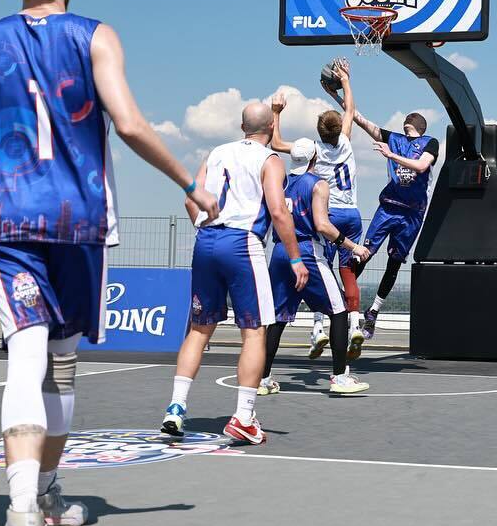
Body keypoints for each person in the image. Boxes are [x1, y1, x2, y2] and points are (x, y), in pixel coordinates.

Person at [0, 0, 218, 526]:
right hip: (81, 221)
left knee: (26, 359)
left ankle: (26, 511)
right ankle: (42, 498)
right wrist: (189, 185)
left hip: (11, 222)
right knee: (60, 365)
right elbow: (132, 125)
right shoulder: (97, 37)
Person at [159, 102, 307, 444]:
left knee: (198, 331)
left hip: (206, 239)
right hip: (242, 243)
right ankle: (243, 415)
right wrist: (296, 258)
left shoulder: (217, 152)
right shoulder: (270, 160)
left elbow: (189, 198)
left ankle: (176, 408)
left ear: (242, 126)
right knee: (254, 331)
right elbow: (278, 210)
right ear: (271, 127)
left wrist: (204, 224)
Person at [259, 138, 372, 395]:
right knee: (339, 311)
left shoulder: (281, 183)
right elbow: (321, 225)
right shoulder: (318, 184)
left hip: (279, 252)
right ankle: (340, 376)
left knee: (277, 318)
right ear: (314, 159)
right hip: (307, 250)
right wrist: (352, 246)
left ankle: (262, 379)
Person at [326, 87, 438, 341]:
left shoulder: (429, 142)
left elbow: (421, 166)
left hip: (412, 213)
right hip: (389, 206)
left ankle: (373, 310)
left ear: (414, 123)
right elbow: (358, 118)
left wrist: (392, 156)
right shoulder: (393, 138)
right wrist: (336, 96)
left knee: (394, 263)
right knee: (363, 253)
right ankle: (348, 306)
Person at [269, 61, 365, 357]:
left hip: (330, 216)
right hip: (353, 214)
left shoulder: (314, 150)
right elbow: (349, 111)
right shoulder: (346, 142)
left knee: (322, 271)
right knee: (348, 271)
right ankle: (355, 321)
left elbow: (275, 142)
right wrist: (346, 81)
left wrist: (276, 113)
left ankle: (319, 327)